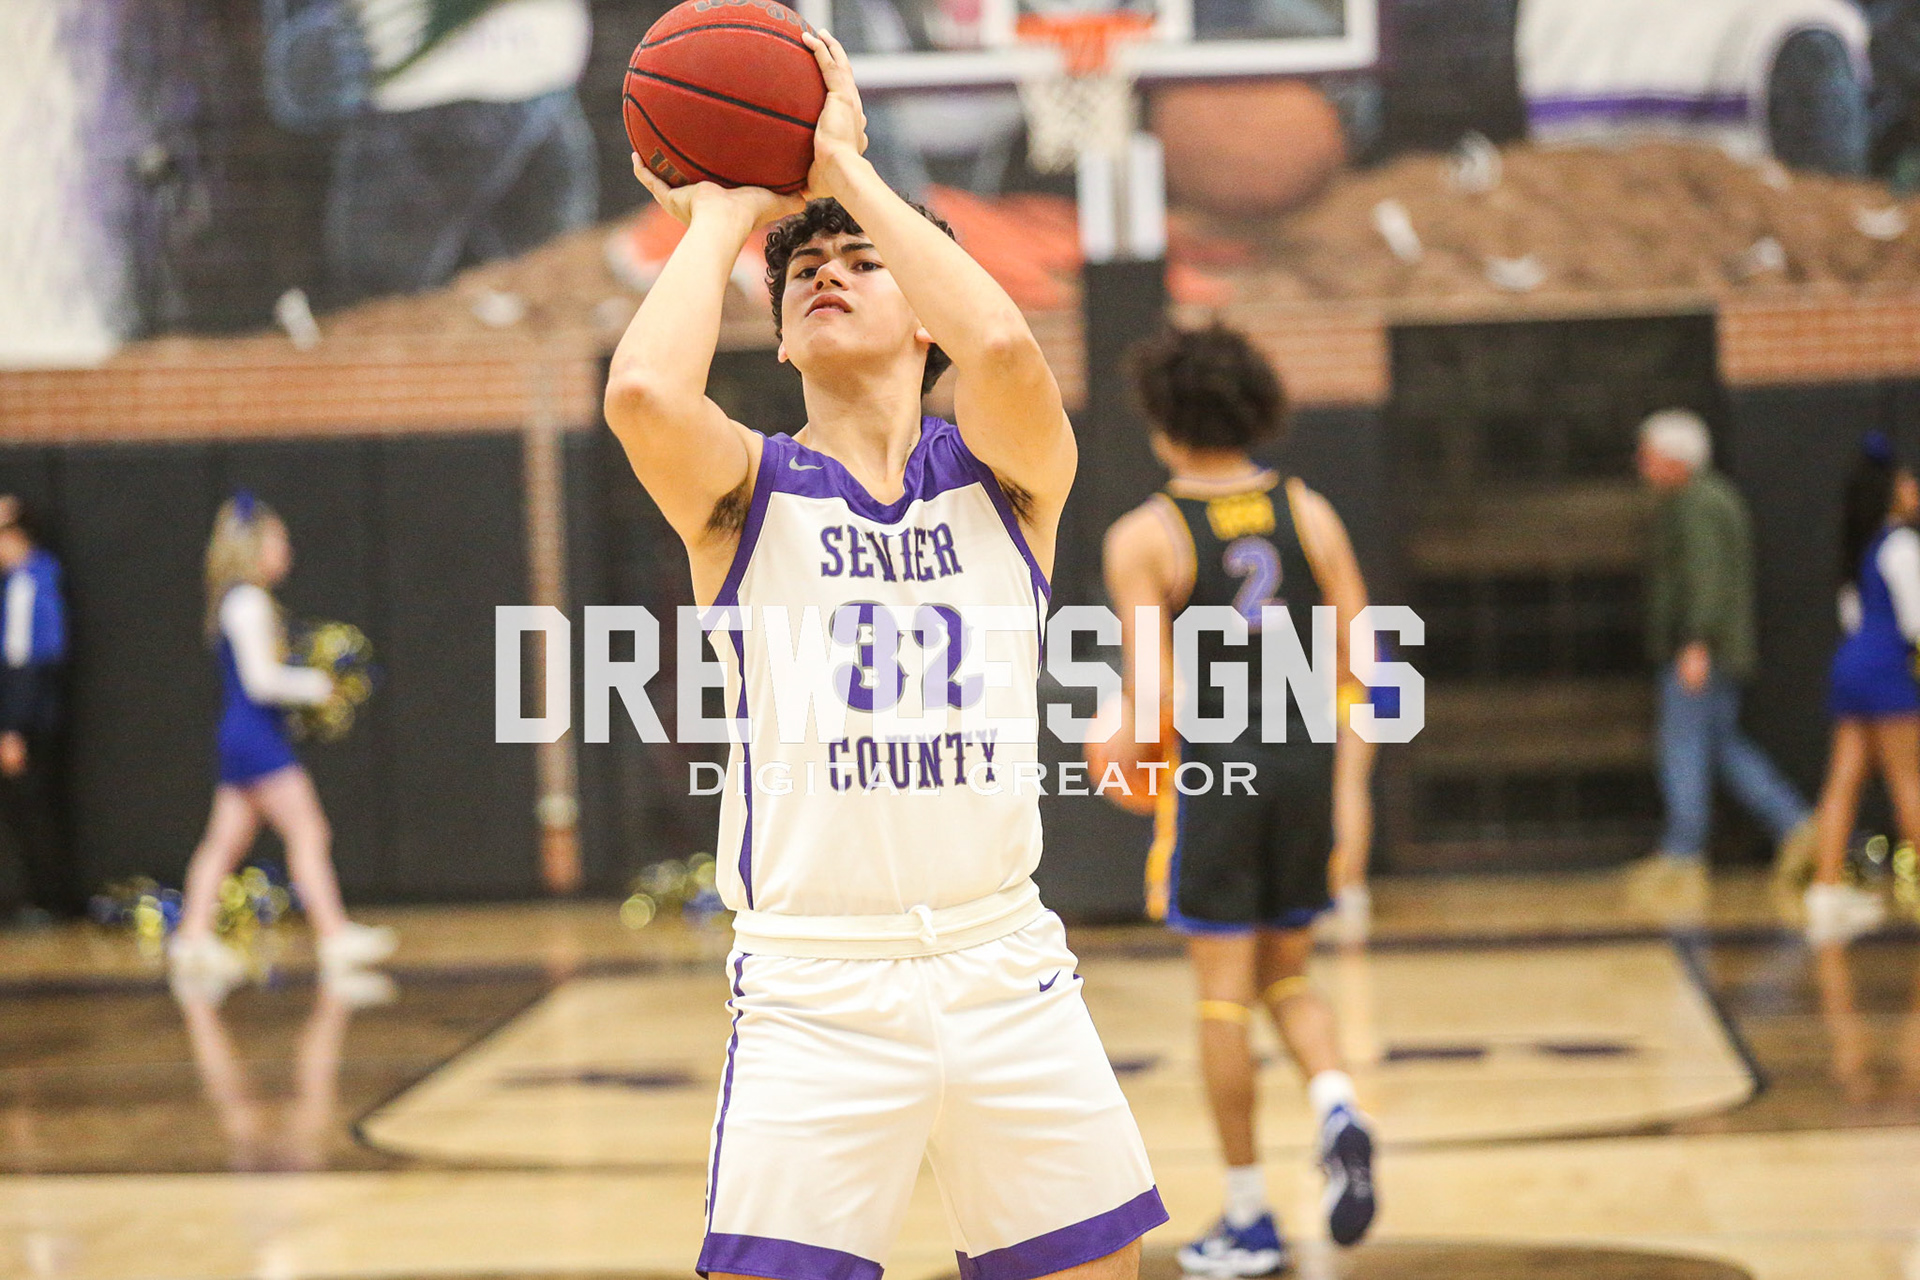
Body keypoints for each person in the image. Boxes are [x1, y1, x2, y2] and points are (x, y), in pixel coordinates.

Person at [603, 31, 1165, 1280]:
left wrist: (845, 170)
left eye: (863, 262)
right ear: (780, 338)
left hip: (1002, 961)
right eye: (803, 272)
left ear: (924, 318)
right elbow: (643, 394)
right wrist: (726, 212)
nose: (827, 274)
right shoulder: (747, 492)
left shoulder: (1009, 477)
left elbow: (1005, 350)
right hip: (818, 986)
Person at [1103, 323, 1377, 1276]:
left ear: (1161, 419)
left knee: (1221, 999)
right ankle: (1337, 1104)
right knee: (1286, 976)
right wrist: (1352, 795)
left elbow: (1152, 700)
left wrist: (1112, 753)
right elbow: (1365, 663)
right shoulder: (1310, 512)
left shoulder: (1146, 536)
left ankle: (1251, 1217)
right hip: (1305, 768)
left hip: (1218, 778)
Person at [168, 494, 395, 987]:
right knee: (308, 832)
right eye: (278, 540)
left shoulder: (240, 600)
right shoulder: (248, 602)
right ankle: (333, 934)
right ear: (254, 547)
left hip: (245, 733)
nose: (285, 549)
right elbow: (261, 681)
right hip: (255, 736)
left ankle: (191, 937)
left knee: (224, 842)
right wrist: (318, 686)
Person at [1635, 409, 1816, 906]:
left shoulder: (1696, 505)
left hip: (1700, 650)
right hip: (1715, 648)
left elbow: (1706, 577)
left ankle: (1683, 853)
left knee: (1683, 744)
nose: (1642, 465)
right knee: (1720, 744)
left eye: (1649, 455)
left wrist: (1695, 642)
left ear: (1675, 459)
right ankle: (1796, 824)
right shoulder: (1706, 500)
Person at [1803, 433, 1918, 941]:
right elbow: (1916, 621)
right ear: (1889, 491)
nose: (1914, 489)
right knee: (1908, 780)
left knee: (1843, 780)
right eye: (1907, 482)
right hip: (1887, 668)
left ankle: (1825, 889)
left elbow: (1850, 615)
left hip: (1850, 664)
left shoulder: (1861, 546)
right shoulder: (1901, 545)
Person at [0, 498, 78, 924]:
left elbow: (30, 663)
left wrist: (14, 729)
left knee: (33, 810)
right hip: (37, 716)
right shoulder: (37, 577)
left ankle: (47, 901)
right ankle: (46, 899)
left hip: (31, 721)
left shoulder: (29, 584)